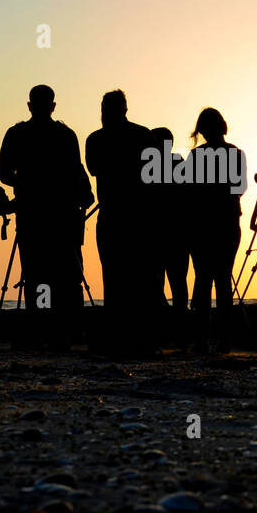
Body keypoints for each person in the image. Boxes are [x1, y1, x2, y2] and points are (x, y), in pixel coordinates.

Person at [0, 85, 93, 350]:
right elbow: (76, 171)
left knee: (36, 273)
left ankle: (40, 327)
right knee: (65, 274)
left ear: (30, 106)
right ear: (53, 106)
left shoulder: (17, 134)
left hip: (32, 215)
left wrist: (24, 184)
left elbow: (3, 172)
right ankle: (63, 331)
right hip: (62, 216)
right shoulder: (65, 135)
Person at [85, 90, 162, 354]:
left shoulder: (96, 139)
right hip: (137, 217)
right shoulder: (143, 135)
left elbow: (95, 168)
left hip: (115, 216)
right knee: (140, 278)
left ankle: (120, 337)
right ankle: (142, 339)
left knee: (115, 278)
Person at [186, 108, 245, 354]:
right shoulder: (235, 153)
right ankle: (223, 340)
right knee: (222, 280)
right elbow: (239, 187)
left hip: (202, 224)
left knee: (203, 280)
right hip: (226, 222)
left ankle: (202, 340)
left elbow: (188, 190)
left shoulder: (196, 155)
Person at [150, 127, 190, 344]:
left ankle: (170, 329)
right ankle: (179, 329)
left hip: (166, 233)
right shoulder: (180, 164)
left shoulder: (151, 166)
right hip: (176, 233)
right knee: (176, 283)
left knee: (166, 282)